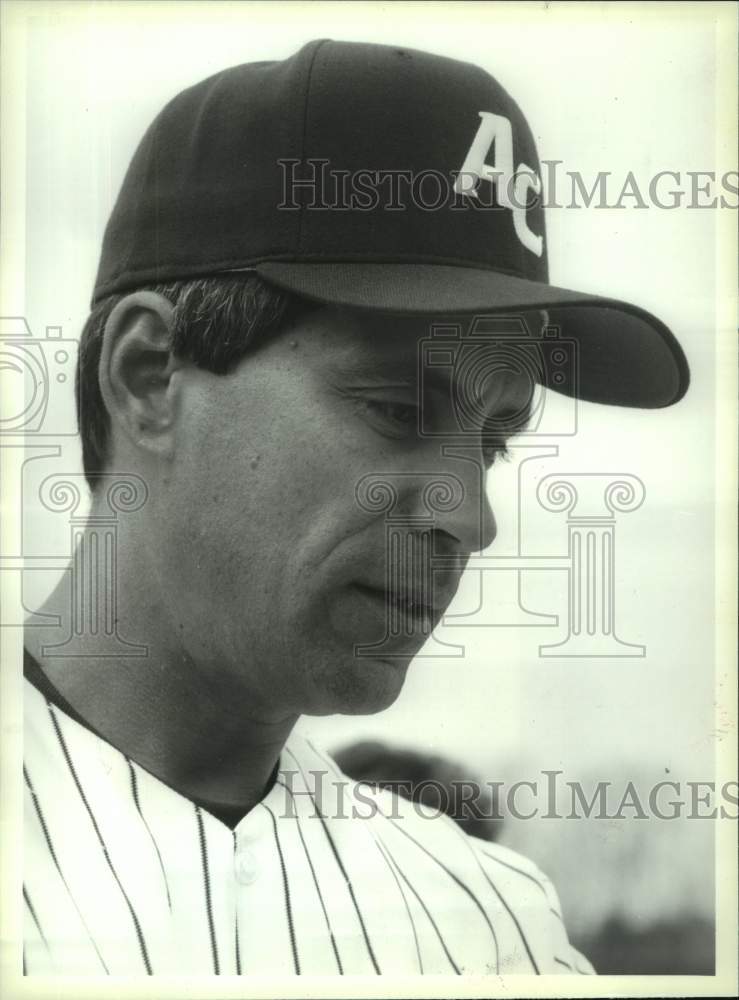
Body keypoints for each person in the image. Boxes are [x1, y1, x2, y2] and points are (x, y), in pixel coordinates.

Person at [22, 39, 688, 976]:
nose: (469, 518)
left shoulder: (491, 924)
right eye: (399, 410)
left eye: (491, 441)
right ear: (147, 374)